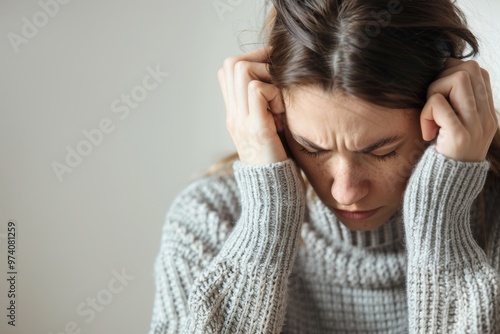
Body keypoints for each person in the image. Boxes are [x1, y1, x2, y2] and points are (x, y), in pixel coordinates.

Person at [149, 0, 500, 332]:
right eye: (312, 149)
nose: (345, 191)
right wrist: (267, 216)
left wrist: (442, 220)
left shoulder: (494, 221)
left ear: (449, 110)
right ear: (275, 120)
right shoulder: (208, 220)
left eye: (382, 151)